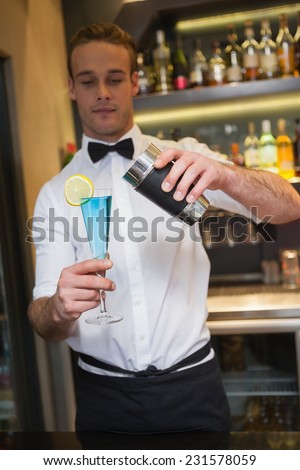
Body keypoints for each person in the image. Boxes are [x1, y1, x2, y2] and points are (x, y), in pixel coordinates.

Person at [27, 23, 300, 448]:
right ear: (70, 88)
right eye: (88, 80)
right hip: (105, 401)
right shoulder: (54, 194)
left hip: (193, 389)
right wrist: (59, 309)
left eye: (115, 78)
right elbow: (43, 320)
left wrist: (227, 176)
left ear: (135, 82)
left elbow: (289, 207)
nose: (102, 91)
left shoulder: (182, 158)